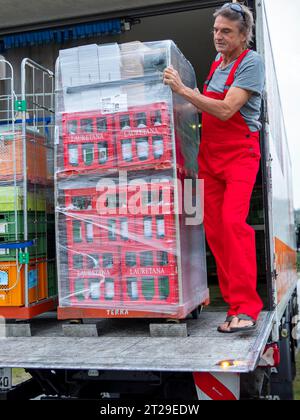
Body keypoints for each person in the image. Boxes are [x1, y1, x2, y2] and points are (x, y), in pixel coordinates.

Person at [163, 2, 265, 333]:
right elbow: (201, 111)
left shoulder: (251, 64)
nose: (218, 37)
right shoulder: (216, 64)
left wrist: (184, 90)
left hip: (239, 155)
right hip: (210, 156)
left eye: (226, 31)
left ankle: (248, 309)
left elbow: (224, 110)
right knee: (217, 234)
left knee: (234, 225)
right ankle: (234, 306)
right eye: (216, 30)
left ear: (244, 34)